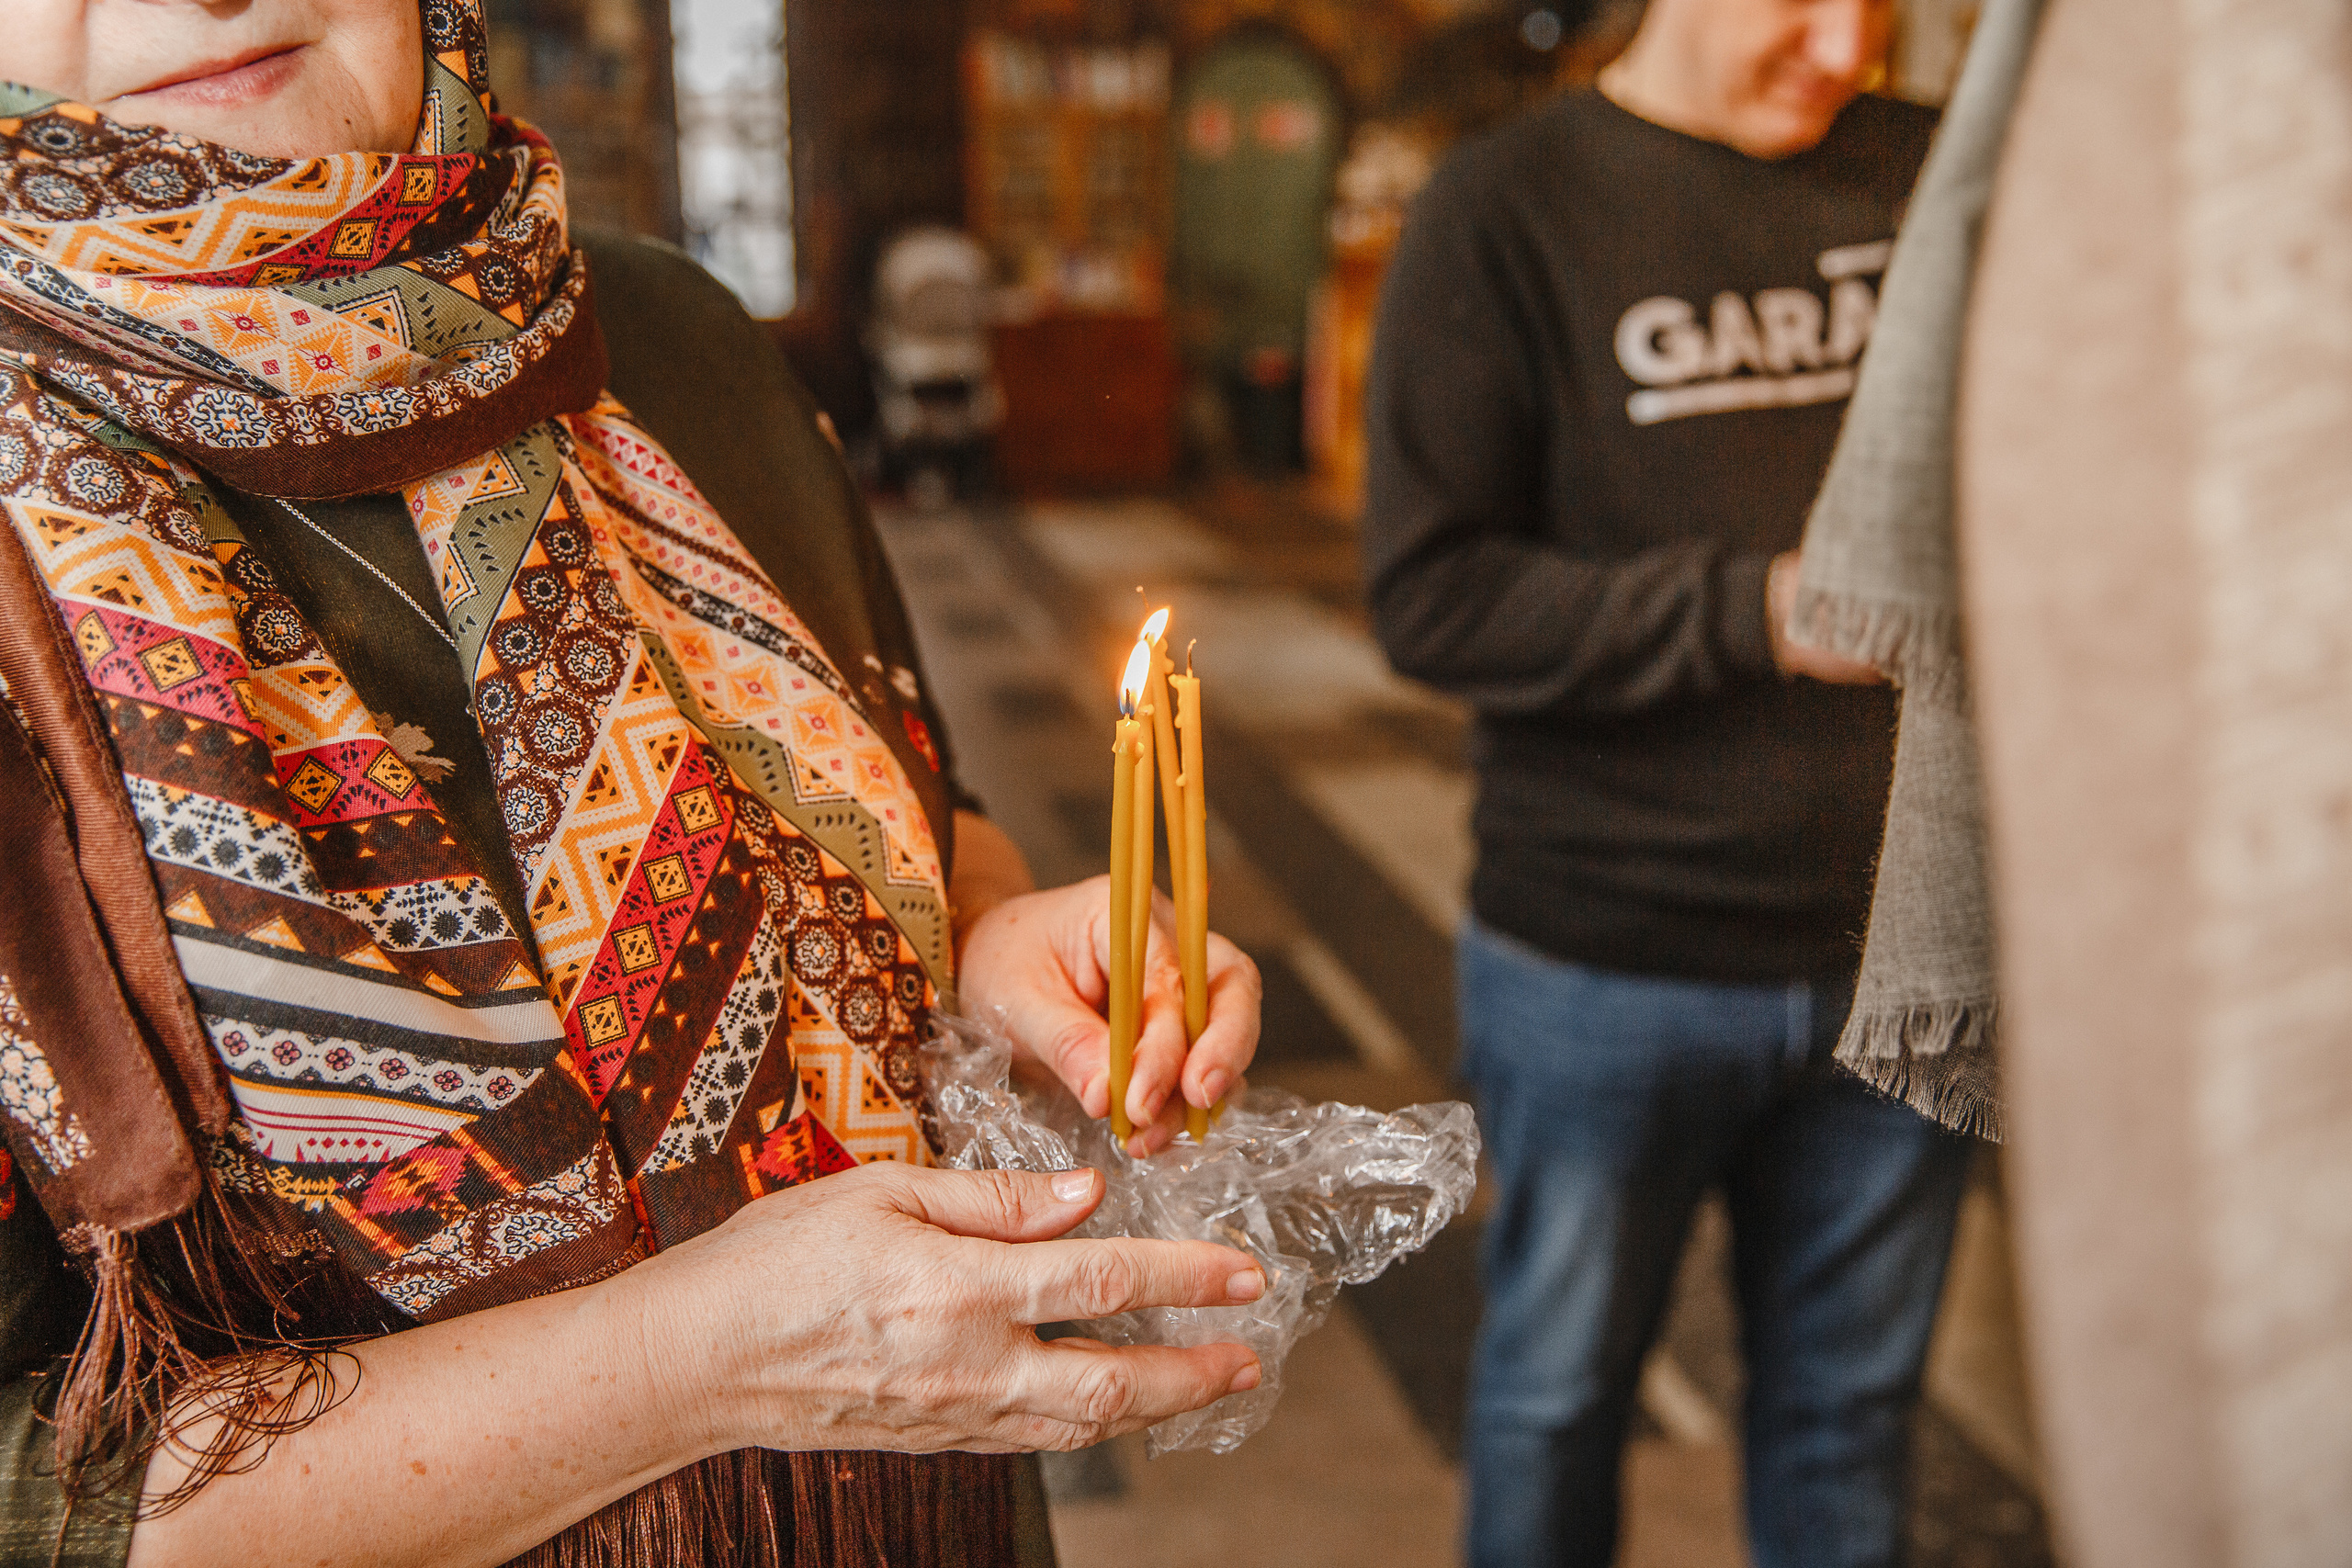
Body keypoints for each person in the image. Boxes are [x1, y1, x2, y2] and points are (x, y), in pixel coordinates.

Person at [0, 5, 1267, 1565]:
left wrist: (996, 942)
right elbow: (34, 1491)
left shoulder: (661, 336)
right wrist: (684, 1368)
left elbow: (919, 816)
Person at [1359, 2, 1975, 1564]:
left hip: (1902, 953)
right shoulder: (1503, 207)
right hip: (1604, 956)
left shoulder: (1937, 173)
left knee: (1849, 1412)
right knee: (1556, 1398)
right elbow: (1433, 598)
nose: (1845, 49)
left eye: (1883, 6)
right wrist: (1761, 611)